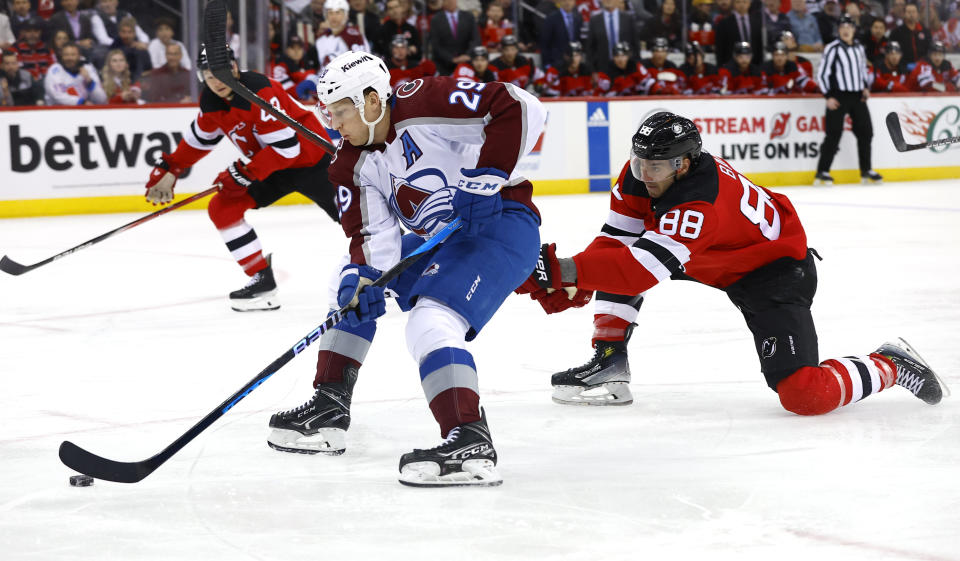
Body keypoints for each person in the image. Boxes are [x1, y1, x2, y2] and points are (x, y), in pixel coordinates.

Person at [516, 111, 946, 415]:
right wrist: (576, 276)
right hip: (713, 255)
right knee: (617, 258)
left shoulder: (699, 203)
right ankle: (609, 359)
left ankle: (890, 363)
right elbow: (615, 242)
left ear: (684, 164)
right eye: (640, 161)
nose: (645, 174)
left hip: (772, 271)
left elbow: (638, 271)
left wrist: (560, 271)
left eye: (658, 165)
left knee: (802, 395)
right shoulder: (642, 174)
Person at [266, 50, 547, 487]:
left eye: (341, 112)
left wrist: (486, 178)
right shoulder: (350, 164)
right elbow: (374, 238)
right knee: (346, 279)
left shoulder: (423, 102)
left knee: (430, 322)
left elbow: (519, 105)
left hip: (500, 224)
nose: (334, 125)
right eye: (329, 113)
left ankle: (469, 439)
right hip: (442, 241)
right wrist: (364, 280)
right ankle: (329, 407)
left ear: (372, 100)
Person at [142, 45, 339, 311]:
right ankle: (262, 282)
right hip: (271, 167)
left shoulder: (259, 91)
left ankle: (389, 267)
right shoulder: (211, 101)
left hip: (311, 160)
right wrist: (171, 167)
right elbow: (199, 140)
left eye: (220, 73)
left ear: (234, 67)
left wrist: (243, 173)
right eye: (208, 76)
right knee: (223, 207)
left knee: (353, 217)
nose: (215, 81)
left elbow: (288, 149)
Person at [814, 14, 882, 186]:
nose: (846, 30)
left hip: (857, 95)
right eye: (842, 27)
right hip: (838, 96)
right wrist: (828, 96)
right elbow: (822, 74)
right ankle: (822, 171)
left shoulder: (859, 47)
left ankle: (866, 170)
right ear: (838, 30)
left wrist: (865, 87)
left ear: (853, 30)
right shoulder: (832, 48)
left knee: (866, 132)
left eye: (849, 27)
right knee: (833, 133)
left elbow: (862, 70)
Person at [314, 0, 370, 70]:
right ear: (325, 16)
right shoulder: (321, 39)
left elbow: (363, 64)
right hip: (325, 78)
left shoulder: (354, 35)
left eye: (338, 13)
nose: (333, 17)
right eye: (330, 13)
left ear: (346, 15)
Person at [429, 0, 481, 75]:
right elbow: (435, 44)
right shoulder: (436, 19)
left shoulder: (469, 17)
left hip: (467, 61)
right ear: (443, 2)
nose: (450, 2)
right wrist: (451, 59)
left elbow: (476, 39)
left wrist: (467, 55)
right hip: (444, 64)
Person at [586, 0, 638, 74]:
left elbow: (635, 44)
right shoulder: (594, 20)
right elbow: (590, 48)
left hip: (626, 68)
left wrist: (635, 67)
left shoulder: (628, 18)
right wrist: (593, 71)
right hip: (602, 68)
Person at [12, 16, 54, 81]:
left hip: (48, 81)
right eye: (29, 31)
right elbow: (16, 69)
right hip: (26, 83)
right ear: (23, 33)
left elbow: (53, 67)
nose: (32, 34)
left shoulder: (47, 47)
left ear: (40, 32)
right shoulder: (16, 48)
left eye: (36, 31)